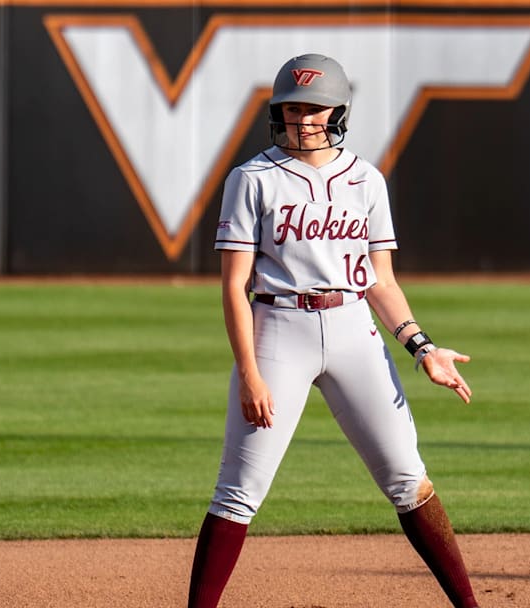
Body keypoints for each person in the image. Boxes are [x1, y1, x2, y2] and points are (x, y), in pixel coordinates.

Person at [188, 54, 479, 608]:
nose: (302, 120)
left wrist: (422, 348)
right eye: (292, 108)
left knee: (408, 479)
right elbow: (233, 287)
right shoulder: (251, 179)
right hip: (278, 328)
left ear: (338, 112)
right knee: (238, 492)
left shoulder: (366, 180)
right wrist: (250, 372)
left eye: (314, 109)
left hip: (353, 328)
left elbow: (382, 282)